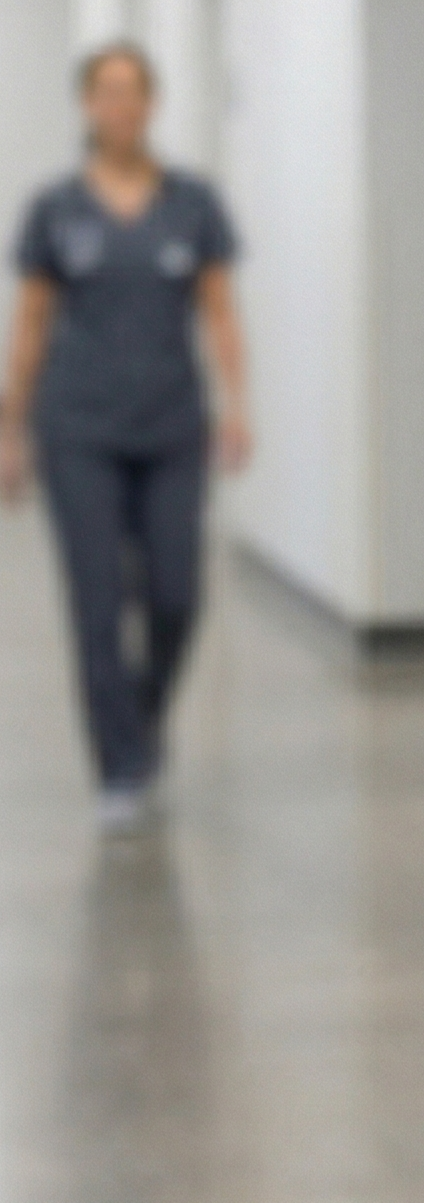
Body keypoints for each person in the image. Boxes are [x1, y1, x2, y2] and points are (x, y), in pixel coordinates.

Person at [0, 41, 249, 830]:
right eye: (106, 92)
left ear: (151, 104)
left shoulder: (191, 203)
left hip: (172, 426)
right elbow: (33, 321)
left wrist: (237, 404)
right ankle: (120, 764)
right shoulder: (56, 211)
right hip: (78, 430)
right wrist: (11, 429)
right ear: (87, 105)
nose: (121, 106)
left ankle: (139, 717)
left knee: (178, 593)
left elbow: (218, 310)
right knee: (98, 603)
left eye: (133, 91)